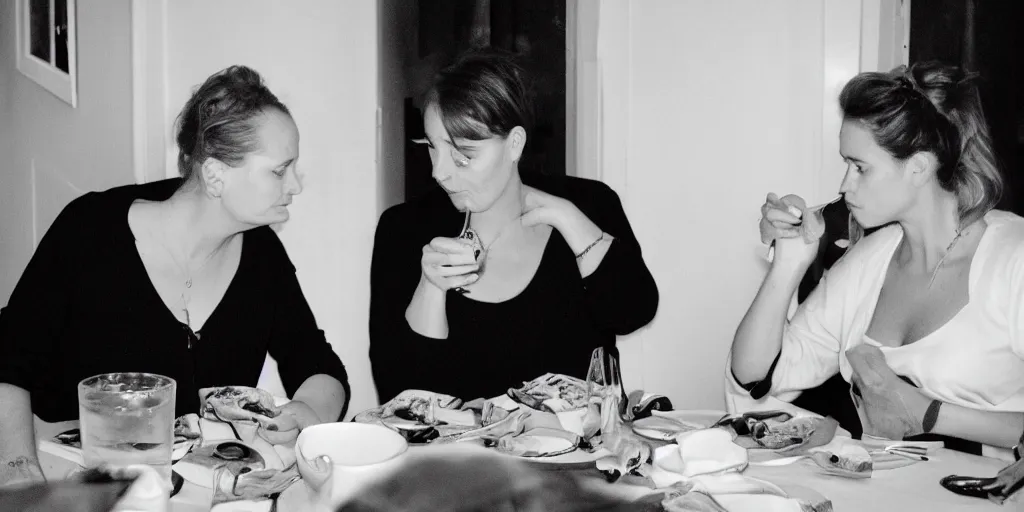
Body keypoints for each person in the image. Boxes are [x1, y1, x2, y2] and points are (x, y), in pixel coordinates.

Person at [0, 66, 350, 487]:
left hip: (186, 489)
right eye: (280, 170)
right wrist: (18, 476)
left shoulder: (261, 254)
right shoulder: (89, 230)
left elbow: (318, 365)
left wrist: (306, 413)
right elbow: (8, 362)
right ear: (216, 174)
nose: (295, 185)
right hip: (66, 477)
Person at [729, 61, 1024, 460]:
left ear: (919, 167)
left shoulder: (1013, 259)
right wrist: (788, 265)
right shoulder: (869, 261)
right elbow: (755, 378)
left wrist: (930, 414)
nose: (844, 184)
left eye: (859, 167)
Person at [369, 49, 658, 404]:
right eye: (432, 147)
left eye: (463, 154)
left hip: (577, 455)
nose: (439, 172)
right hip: (459, 459)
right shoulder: (403, 229)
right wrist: (430, 288)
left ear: (514, 143)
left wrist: (572, 222)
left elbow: (633, 312)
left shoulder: (590, 203)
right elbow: (398, 390)